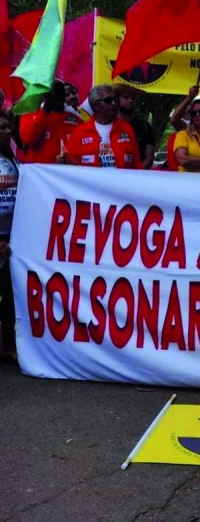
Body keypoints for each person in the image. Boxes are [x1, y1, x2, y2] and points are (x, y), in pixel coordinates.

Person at [66, 84, 142, 169]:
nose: (113, 103)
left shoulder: (127, 129)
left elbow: (137, 164)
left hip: (120, 181)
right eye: (108, 100)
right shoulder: (79, 132)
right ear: (96, 105)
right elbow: (70, 165)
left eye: (115, 100)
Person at [19, 79, 83, 164]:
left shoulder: (76, 119)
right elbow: (29, 139)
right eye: (55, 91)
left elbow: (83, 150)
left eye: (62, 91)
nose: (59, 94)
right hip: (40, 174)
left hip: (66, 174)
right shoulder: (30, 115)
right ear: (46, 94)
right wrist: (44, 112)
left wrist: (69, 159)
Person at [0, 112, 19, 362]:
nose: (7, 132)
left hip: (10, 235)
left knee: (9, 295)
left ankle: (8, 344)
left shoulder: (13, 159)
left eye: (8, 127)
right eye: (1, 127)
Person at [114, 83, 155, 169]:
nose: (130, 100)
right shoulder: (109, 124)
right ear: (117, 100)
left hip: (137, 177)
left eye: (133, 98)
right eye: (126, 97)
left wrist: (135, 175)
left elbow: (149, 158)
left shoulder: (145, 127)